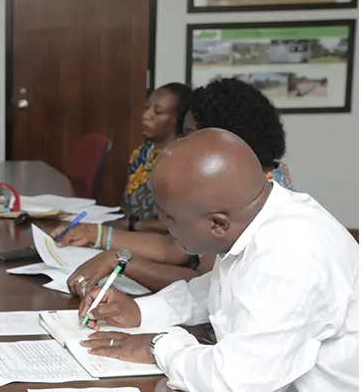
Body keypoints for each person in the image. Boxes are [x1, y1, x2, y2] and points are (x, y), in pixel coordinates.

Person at [77, 128, 358, 392]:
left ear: (218, 225)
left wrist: (158, 346)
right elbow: (220, 289)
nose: (162, 224)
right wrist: (140, 312)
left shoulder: (291, 255)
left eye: (169, 218)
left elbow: (234, 381)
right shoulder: (256, 217)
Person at [53, 78, 296, 293]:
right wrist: (98, 235)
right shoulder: (251, 176)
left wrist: (121, 261)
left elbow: (204, 284)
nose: (180, 142)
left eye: (189, 134)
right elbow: (176, 247)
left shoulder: (247, 192)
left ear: (226, 138)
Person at [114, 82, 192, 234]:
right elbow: (126, 208)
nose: (146, 116)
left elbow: (182, 223)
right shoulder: (141, 154)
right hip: (129, 236)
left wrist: (133, 225)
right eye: (146, 107)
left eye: (158, 112)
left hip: (162, 244)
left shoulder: (183, 160)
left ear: (178, 118)